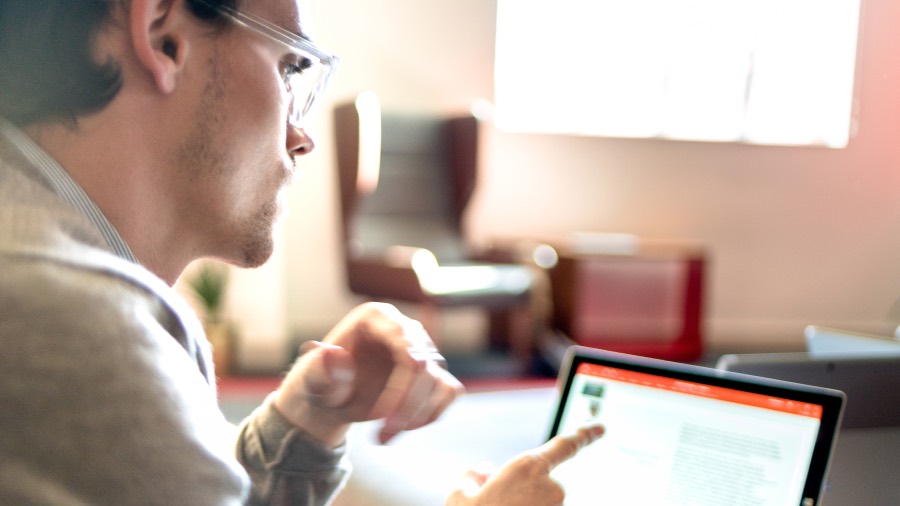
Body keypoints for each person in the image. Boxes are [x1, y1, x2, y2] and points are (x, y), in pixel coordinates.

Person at [0, 0, 604, 504]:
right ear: (164, 37)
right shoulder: (77, 320)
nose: (302, 134)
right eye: (291, 66)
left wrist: (301, 426)